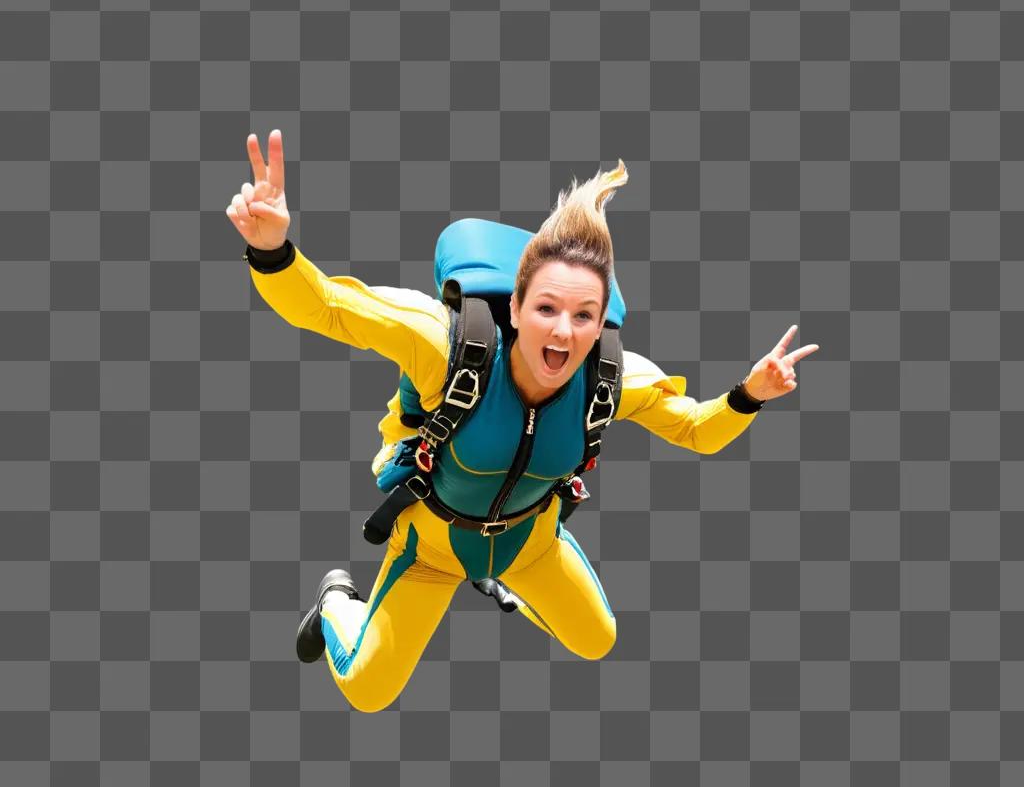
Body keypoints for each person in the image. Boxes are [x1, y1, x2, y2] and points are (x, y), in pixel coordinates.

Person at [226, 130, 820, 712]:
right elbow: (326, 307)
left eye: (584, 315)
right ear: (515, 306)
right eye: (546, 308)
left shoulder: (613, 379)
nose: (563, 331)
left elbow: (695, 430)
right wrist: (274, 250)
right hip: (431, 549)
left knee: (597, 639)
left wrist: (749, 394)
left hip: (529, 543)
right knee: (367, 690)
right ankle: (334, 601)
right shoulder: (443, 346)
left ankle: (500, 580)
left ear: (600, 325)